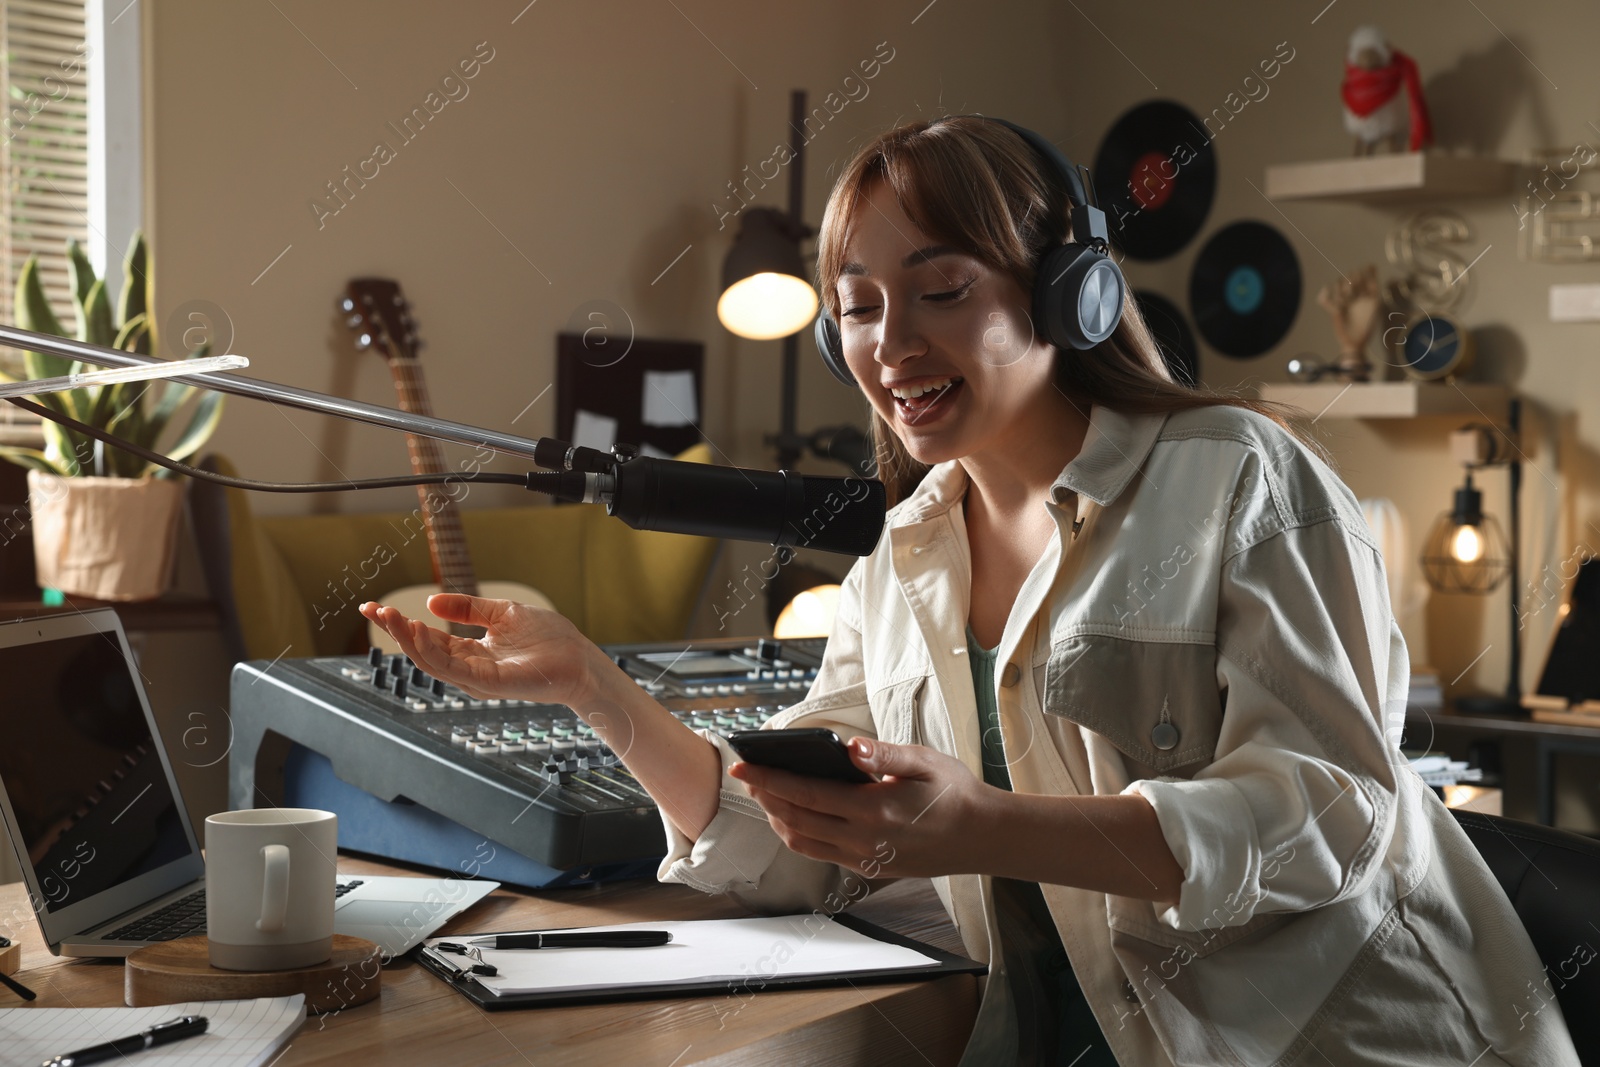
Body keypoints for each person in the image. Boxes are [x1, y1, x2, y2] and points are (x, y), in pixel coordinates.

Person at [362, 116, 1578, 1066]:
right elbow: (798, 853)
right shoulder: (904, 553)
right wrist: (589, 682)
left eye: (941, 290)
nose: (891, 345)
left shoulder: (1238, 476)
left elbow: (1330, 816)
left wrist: (981, 825)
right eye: (859, 311)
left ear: (1070, 293)